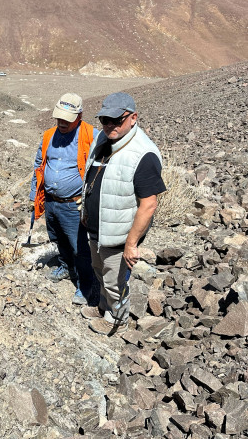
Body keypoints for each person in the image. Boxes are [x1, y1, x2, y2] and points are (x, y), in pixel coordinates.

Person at [79, 92, 166, 335]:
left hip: (119, 232)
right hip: (98, 227)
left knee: (115, 281)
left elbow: (148, 204)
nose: (109, 125)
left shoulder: (143, 154)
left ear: (133, 117)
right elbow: (94, 177)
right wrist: (86, 210)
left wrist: (131, 243)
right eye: (105, 119)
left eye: (116, 120)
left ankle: (116, 319)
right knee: (101, 272)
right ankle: (104, 306)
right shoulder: (104, 138)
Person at [30, 93, 99, 305]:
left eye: (66, 119)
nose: (61, 123)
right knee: (58, 238)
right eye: (58, 118)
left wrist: (92, 201)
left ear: (79, 116)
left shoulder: (91, 136)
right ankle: (66, 267)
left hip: (74, 204)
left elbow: (102, 170)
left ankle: (85, 285)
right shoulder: (49, 135)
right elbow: (39, 164)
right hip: (51, 201)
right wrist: (35, 196)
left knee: (79, 247)